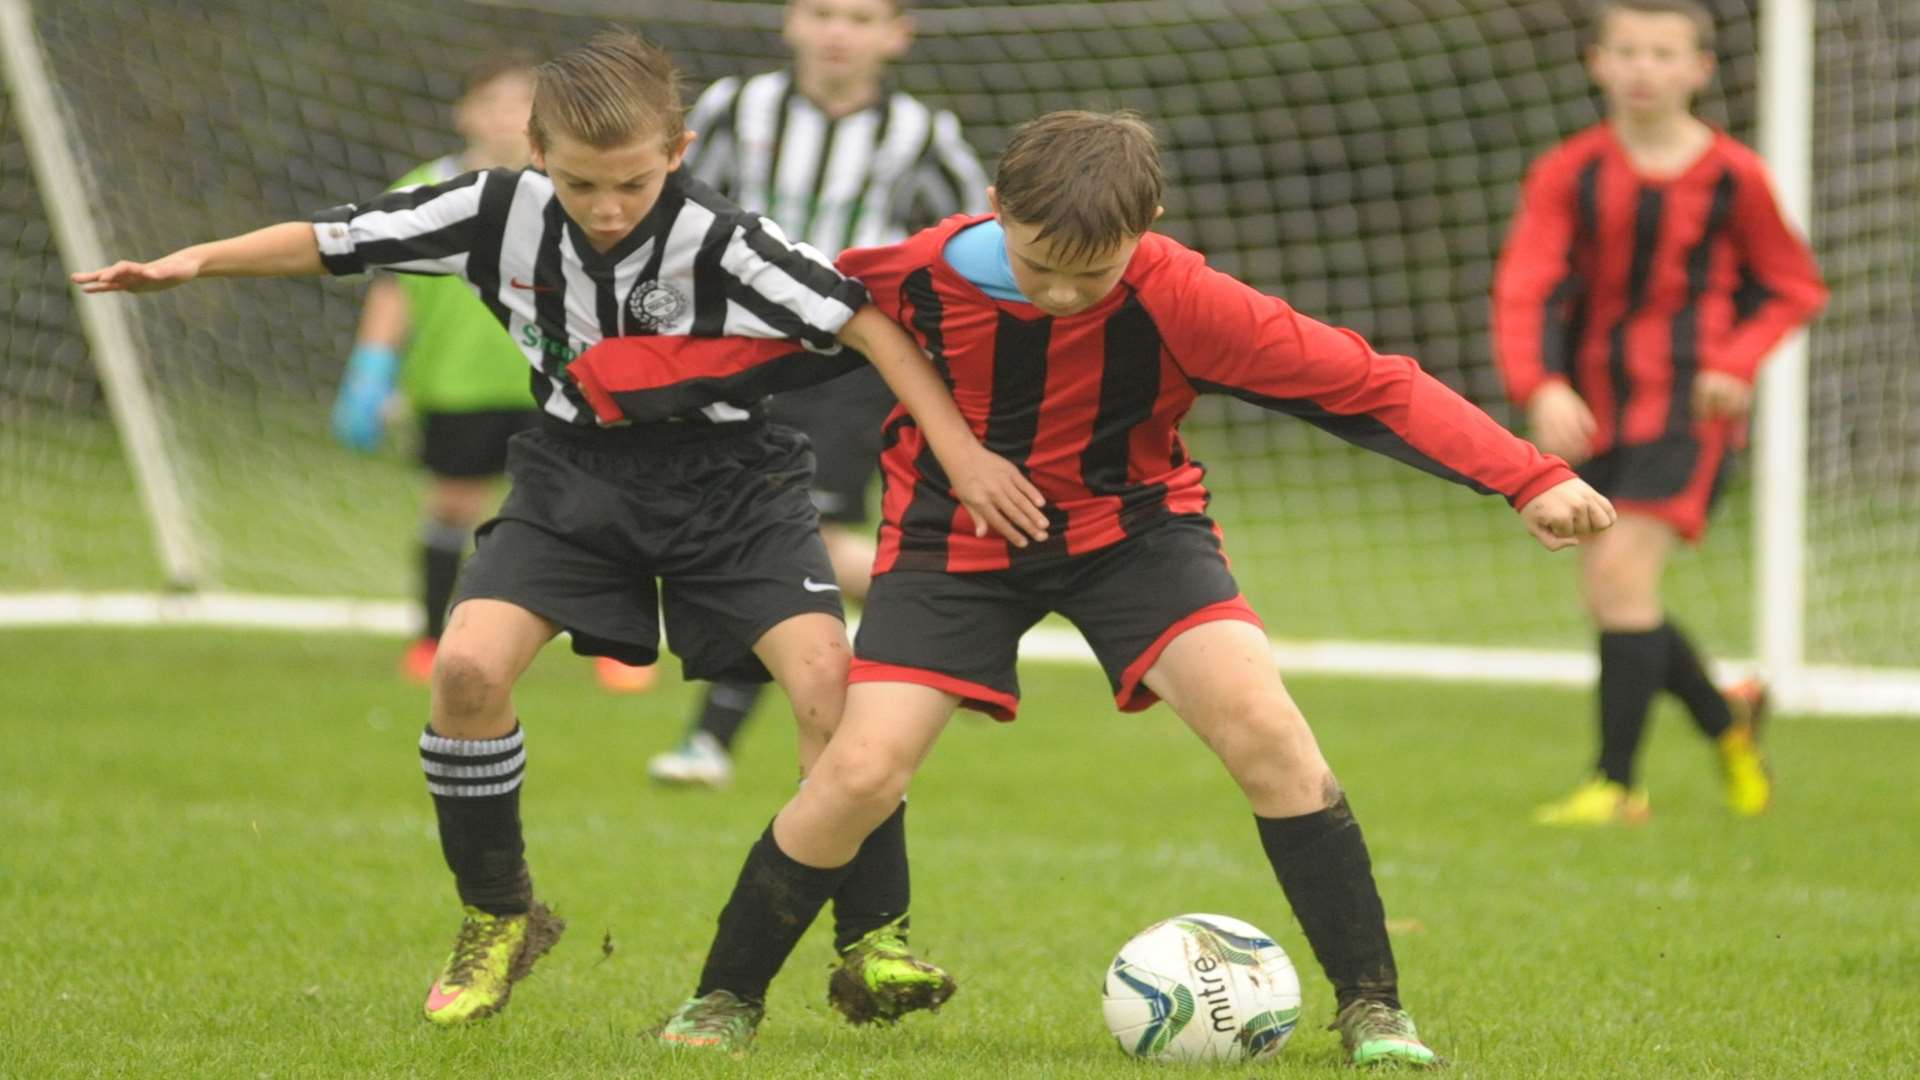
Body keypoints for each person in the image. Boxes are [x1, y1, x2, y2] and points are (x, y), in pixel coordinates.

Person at [73, 30, 1049, 1028]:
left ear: (679, 150)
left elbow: (867, 325)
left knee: (828, 690)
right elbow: (336, 237)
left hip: (734, 488)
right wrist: (195, 261)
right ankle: (500, 917)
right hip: (574, 480)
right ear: (537, 151)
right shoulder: (493, 209)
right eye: (583, 183)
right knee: (466, 672)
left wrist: (964, 457)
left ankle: (873, 940)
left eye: (633, 182)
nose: (610, 208)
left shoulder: (729, 241)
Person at [645, 110, 1616, 1066]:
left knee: (1267, 730)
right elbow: (744, 336)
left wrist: (1528, 475)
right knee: (857, 773)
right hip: (956, 542)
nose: (1065, 294)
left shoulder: (1182, 296)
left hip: (1135, 535)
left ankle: (1374, 1010)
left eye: (1094, 272)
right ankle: (724, 995)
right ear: (992, 209)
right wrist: (601, 385)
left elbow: (1371, 387)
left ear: (1145, 231)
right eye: (1038, 266)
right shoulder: (908, 273)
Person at [1492, 0, 1826, 827]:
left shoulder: (1733, 176)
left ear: (1699, 71)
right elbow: (1523, 286)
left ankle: (1616, 787)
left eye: (1664, 52)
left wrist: (1734, 361)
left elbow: (1793, 286)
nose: (1645, 67)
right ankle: (1727, 719)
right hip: (1591, 410)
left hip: (1687, 412)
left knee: (1618, 578)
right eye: (1629, 50)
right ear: (1597, 61)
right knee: (1613, 594)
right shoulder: (1569, 173)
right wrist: (1540, 384)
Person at [648, 0, 990, 787]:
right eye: (824, 12)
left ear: (896, 35)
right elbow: (670, 208)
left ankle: (712, 740)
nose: (840, 32)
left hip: (844, 371)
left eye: (863, 18)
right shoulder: (735, 108)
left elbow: (966, 241)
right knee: (761, 537)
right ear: (791, 23)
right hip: (735, 356)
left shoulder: (922, 134)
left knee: (785, 537)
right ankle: (975, 595)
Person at [330, 51, 650, 693]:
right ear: (465, 111)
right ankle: (430, 636)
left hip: (561, 379)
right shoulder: (422, 188)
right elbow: (392, 290)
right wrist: (371, 369)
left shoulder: (574, 184)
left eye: (523, 104)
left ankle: (615, 640)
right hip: (457, 381)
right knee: (454, 506)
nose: (507, 116)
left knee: (592, 507)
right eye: (495, 101)